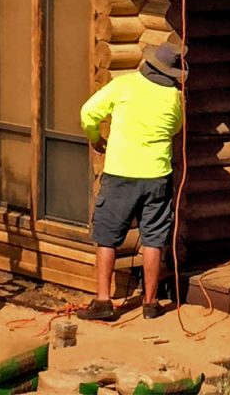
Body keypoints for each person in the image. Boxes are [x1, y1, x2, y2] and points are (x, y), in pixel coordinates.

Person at [76, 40, 187, 321]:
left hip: (121, 173)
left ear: (147, 64)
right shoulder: (173, 98)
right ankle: (150, 303)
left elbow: (88, 112)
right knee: (153, 238)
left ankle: (103, 301)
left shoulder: (124, 85)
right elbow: (176, 128)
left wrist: (95, 138)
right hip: (157, 175)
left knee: (107, 236)